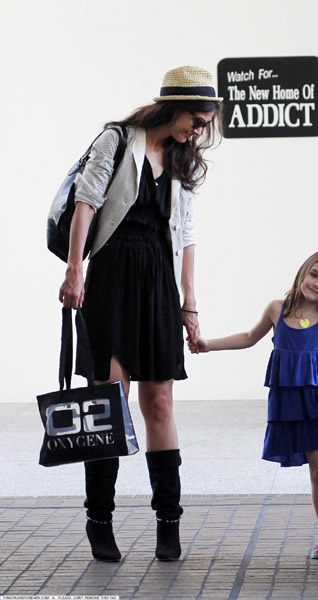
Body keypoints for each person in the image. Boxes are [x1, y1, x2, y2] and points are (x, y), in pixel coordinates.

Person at [58, 66, 223, 562]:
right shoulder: (117, 140)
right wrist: (74, 271)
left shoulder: (181, 159)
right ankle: (99, 519)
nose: (198, 131)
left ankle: (168, 522)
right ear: (173, 107)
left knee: (160, 406)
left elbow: (186, 233)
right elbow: (86, 202)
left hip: (158, 285)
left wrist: (189, 303)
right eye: (196, 120)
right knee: (109, 406)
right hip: (110, 279)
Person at [188, 250, 318, 559]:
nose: (317, 284)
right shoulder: (276, 309)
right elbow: (248, 337)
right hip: (298, 399)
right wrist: (208, 345)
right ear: (303, 272)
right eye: (314, 275)